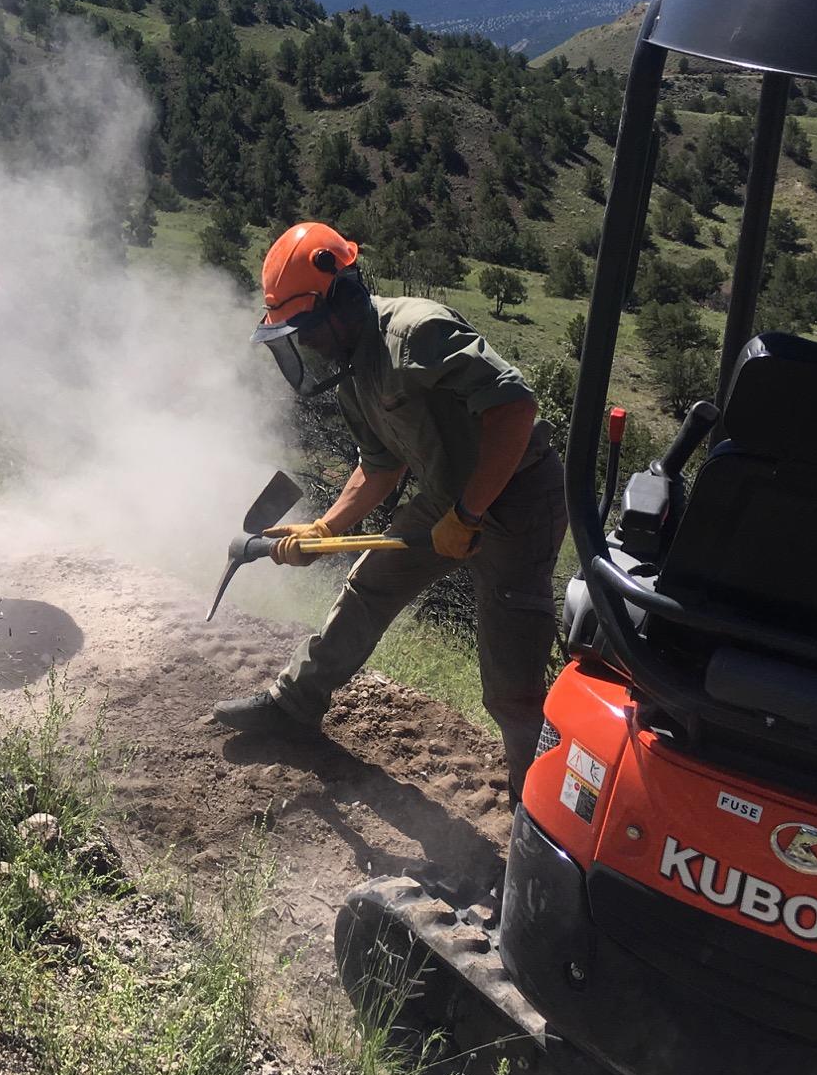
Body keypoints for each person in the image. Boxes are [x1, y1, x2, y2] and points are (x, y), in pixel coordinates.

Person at [212, 221, 568, 801]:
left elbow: (514, 409)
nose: (305, 343)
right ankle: (294, 705)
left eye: (306, 327)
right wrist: (327, 527)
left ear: (341, 296)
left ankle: (539, 802)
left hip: (520, 496)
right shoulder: (354, 368)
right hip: (446, 493)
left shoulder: (415, 331)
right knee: (369, 587)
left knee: (511, 667)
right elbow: (379, 466)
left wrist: (471, 513)